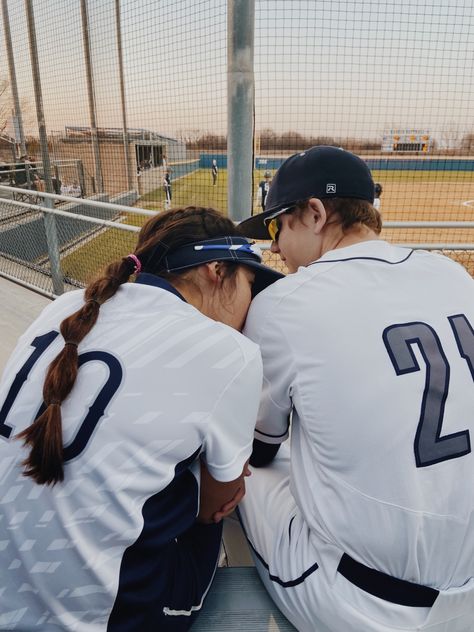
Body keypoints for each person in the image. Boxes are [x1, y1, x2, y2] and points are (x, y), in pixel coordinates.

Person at [0, 206, 282, 631]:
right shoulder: (227, 350)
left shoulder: (67, 306)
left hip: (8, 590)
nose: (251, 302)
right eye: (249, 282)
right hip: (98, 617)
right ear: (215, 270)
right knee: (199, 487)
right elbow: (215, 506)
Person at [237, 145, 474, 632]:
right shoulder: (453, 273)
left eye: (277, 225)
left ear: (316, 213)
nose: (275, 247)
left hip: (363, 606)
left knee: (238, 466)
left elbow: (259, 451)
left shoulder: (285, 302)